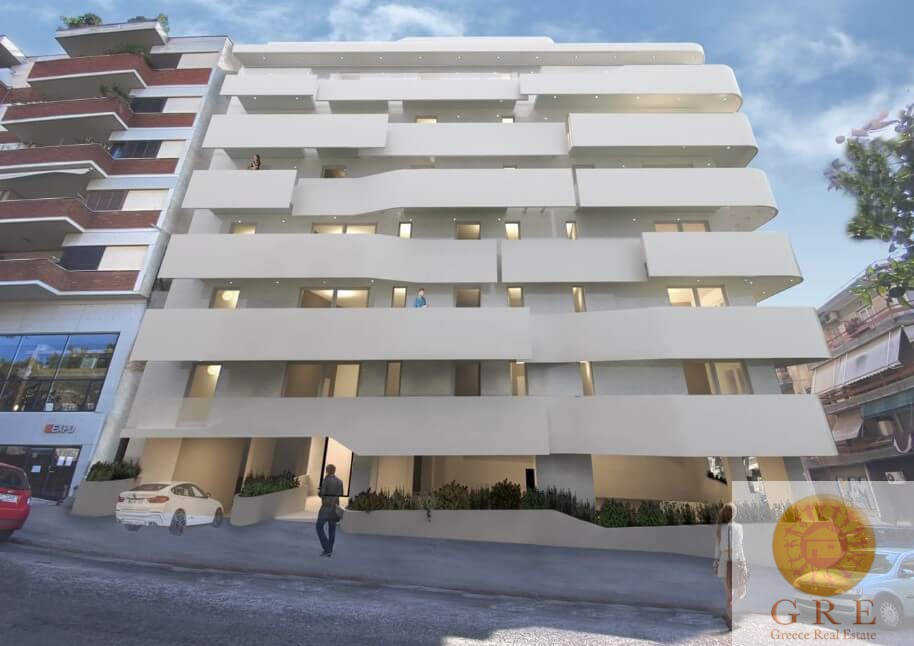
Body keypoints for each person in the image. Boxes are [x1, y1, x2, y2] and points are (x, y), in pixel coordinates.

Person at [714, 502, 747, 630]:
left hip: (723, 562)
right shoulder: (738, 527)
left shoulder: (720, 527)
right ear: (734, 513)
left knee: (729, 596)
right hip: (735, 562)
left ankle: (729, 617)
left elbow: (717, 548)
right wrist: (744, 563)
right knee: (739, 592)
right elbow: (740, 547)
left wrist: (715, 563)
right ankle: (730, 619)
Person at [316, 464, 344, 557]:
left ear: (328, 470)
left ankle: (327, 549)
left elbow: (322, 494)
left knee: (319, 526)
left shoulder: (326, 480)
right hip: (335, 507)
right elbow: (341, 493)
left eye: (326, 469)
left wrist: (319, 492)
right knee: (332, 529)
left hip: (326, 507)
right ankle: (330, 550)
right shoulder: (340, 481)